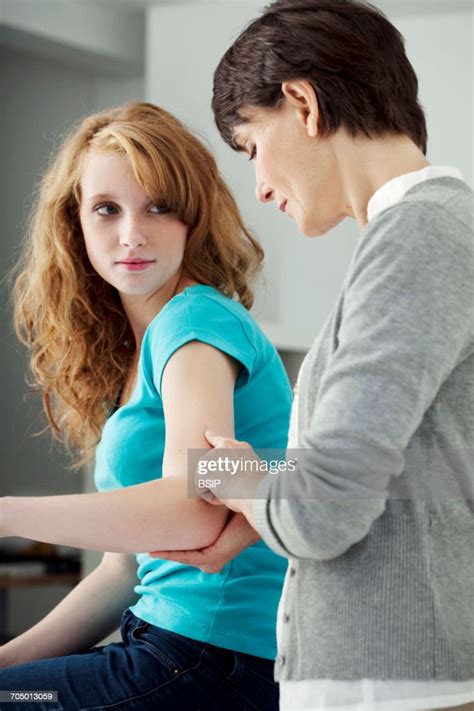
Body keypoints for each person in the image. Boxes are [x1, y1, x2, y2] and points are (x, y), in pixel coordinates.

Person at [150, 1, 474, 710]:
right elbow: (382, 471)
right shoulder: (415, 239)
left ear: (302, 103)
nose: (260, 186)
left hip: (392, 690)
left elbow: (324, 507)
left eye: (251, 146)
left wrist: (235, 478)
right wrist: (253, 493)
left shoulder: (419, 238)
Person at [0, 101, 293, 710]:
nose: (132, 233)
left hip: (209, 661)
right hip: (169, 650)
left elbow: (192, 510)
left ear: (192, 219)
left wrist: (5, 514)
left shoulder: (193, 321)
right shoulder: (145, 345)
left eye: (158, 206)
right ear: (74, 224)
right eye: (106, 209)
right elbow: (120, 573)